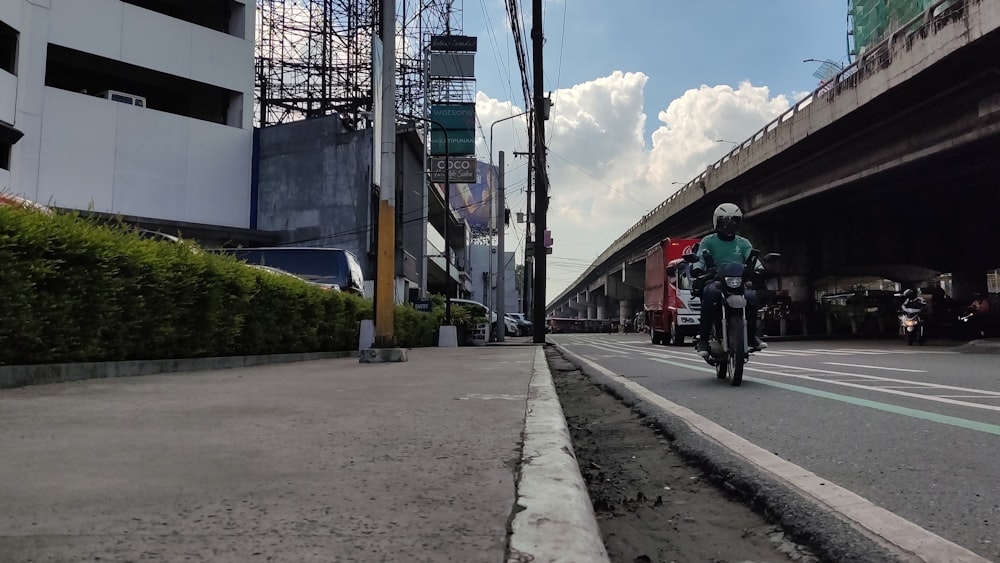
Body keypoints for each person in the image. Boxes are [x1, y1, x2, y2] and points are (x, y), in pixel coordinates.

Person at [693, 203, 767, 357]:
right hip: (716, 280)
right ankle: (703, 338)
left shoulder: (743, 243)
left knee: (751, 297)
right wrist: (697, 268)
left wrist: (759, 268)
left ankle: (751, 335)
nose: (729, 224)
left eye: (734, 220)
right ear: (716, 222)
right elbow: (700, 257)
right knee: (710, 294)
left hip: (738, 281)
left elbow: (752, 258)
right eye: (725, 220)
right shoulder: (708, 241)